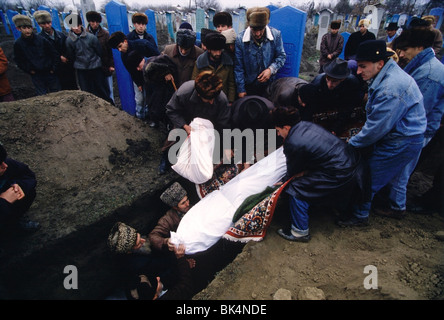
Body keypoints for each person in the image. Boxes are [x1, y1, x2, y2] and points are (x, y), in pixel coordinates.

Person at [337, 40, 427, 226]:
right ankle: (396, 207)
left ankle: (359, 216)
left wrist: (349, 146)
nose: (359, 71)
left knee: (370, 177)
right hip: (410, 135)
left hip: (400, 140)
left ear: (380, 63)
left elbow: (375, 130)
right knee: (397, 175)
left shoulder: (389, 89)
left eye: (363, 67)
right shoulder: (388, 75)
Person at [271, 107, 363, 242]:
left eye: (278, 131)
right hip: (352, 162)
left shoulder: (293, 142)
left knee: (296, 187)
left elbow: (293, 172)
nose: (278, 135)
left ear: (286, 127)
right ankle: (356, 213)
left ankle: (299, 231)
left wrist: (284, 181)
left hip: (340, 173)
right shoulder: (305, 124)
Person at [392, 28, 444, 216]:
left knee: (402, 169)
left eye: (406, 49)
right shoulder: (421, 66)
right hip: (414, 128)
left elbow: (419, 112)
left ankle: (396, 206)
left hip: (416, 132)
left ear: (420, 48)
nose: (402, 54)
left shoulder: (430, 74)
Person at [161, 71, 231, 174]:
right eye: (209, 99)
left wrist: (227, 146)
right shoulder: (184, 93)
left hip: (209, 124)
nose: (212, 102)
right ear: (199, 94)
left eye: (213, 99)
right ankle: (166, 159)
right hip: (187, 119)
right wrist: (184, 126)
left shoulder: (221, 99)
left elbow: (224, 124)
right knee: (175, 138)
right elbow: (171, 110)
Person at [306, 58, 365, 138]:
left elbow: (348, 108)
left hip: (339, 104)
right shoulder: (318, 82)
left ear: (343, 79)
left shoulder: (352, 83)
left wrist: (336, 129)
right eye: (328, 79)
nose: (329, 85)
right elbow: (309, 106)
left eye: (334, 81)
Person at [234, 7, 286, 98]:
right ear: (249, 26)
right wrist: (241, 89)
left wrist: (271, 69)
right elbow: (239, 67)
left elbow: (281, 56)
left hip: (269, 86)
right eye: (254, 30)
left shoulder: (276, 35)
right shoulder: (240, 39)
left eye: (261, 29)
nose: (257, 34)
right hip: (249, 86)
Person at [108, 31, 160, 118]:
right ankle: (140, 119)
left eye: (120, 46)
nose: (120, 50)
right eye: (117, 48)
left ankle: (152, 118)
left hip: (153, 76)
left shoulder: (143, 44)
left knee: (152, 98)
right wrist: (138, 83)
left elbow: (158, 57)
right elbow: (131, 70)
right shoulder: (123, 56)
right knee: (139, 99)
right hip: (139, 78)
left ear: (125, 41)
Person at [65, 14, 113, 104]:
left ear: (80, 24)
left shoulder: (91, 37)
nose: (76, 28)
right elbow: (71, 55)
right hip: (82, 69)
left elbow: (99, 51)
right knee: (86, 91)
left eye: (77, 25)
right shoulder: (69, 40)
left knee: (102, 89)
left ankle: (108, 106)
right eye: (73, 26)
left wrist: (97, 62)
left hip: (95, 66)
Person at [12, 14, 61, 96]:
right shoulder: (18, 44)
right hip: (36, 75)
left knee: (57, 94)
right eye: (24, 28)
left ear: (32, 28)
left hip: (49, 72)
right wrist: (29, 70)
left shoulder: (41, 40)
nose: (27, 30)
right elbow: (19, 60)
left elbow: (54, 54)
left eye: (29, 28)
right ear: (19, 29)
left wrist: (53, 68)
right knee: (42, 95)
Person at [0, 144, 40, 233]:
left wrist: (20, 186)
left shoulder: (7, 164)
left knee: (29, 193)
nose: (5, 166)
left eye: (2, 161)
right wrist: (3, 202)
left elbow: (28, 175)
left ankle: (12, 223)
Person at [33, 10, 77, 91]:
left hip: (67, 68)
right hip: (53, 70)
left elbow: (68, 47)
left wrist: (65, 56)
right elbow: (41, 55)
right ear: (39, 25)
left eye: (48, 23)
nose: (47, 25)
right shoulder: (39, 39)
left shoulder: (61, 34)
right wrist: (57, 59)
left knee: (72, 88)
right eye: (44, 24)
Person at [230, 95, 276, 171]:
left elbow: (272, 132)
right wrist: (246, 162)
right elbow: (241, 139)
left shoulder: (270, 111)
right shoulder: (237, 118)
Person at [192, 32, 236, 103]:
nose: (218, 53)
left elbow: (231, 83)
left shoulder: (228, 62)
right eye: (215, 50)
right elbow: (194, 82)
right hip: (205, 99)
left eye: (220, 50)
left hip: (222, 99)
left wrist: (230, 101)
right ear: (209, 50)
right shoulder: (200, 62)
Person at [86, 11, 115, 104]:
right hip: (91, 67)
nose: (95, 24)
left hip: (105, 65)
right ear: (89, 22)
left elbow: (110, 51)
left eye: (97, 22)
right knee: (95, 90)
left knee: (109, 90)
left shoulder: (105, 34)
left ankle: (112, 107)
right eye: (92, 22)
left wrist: (111, 65)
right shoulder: (85, 34)